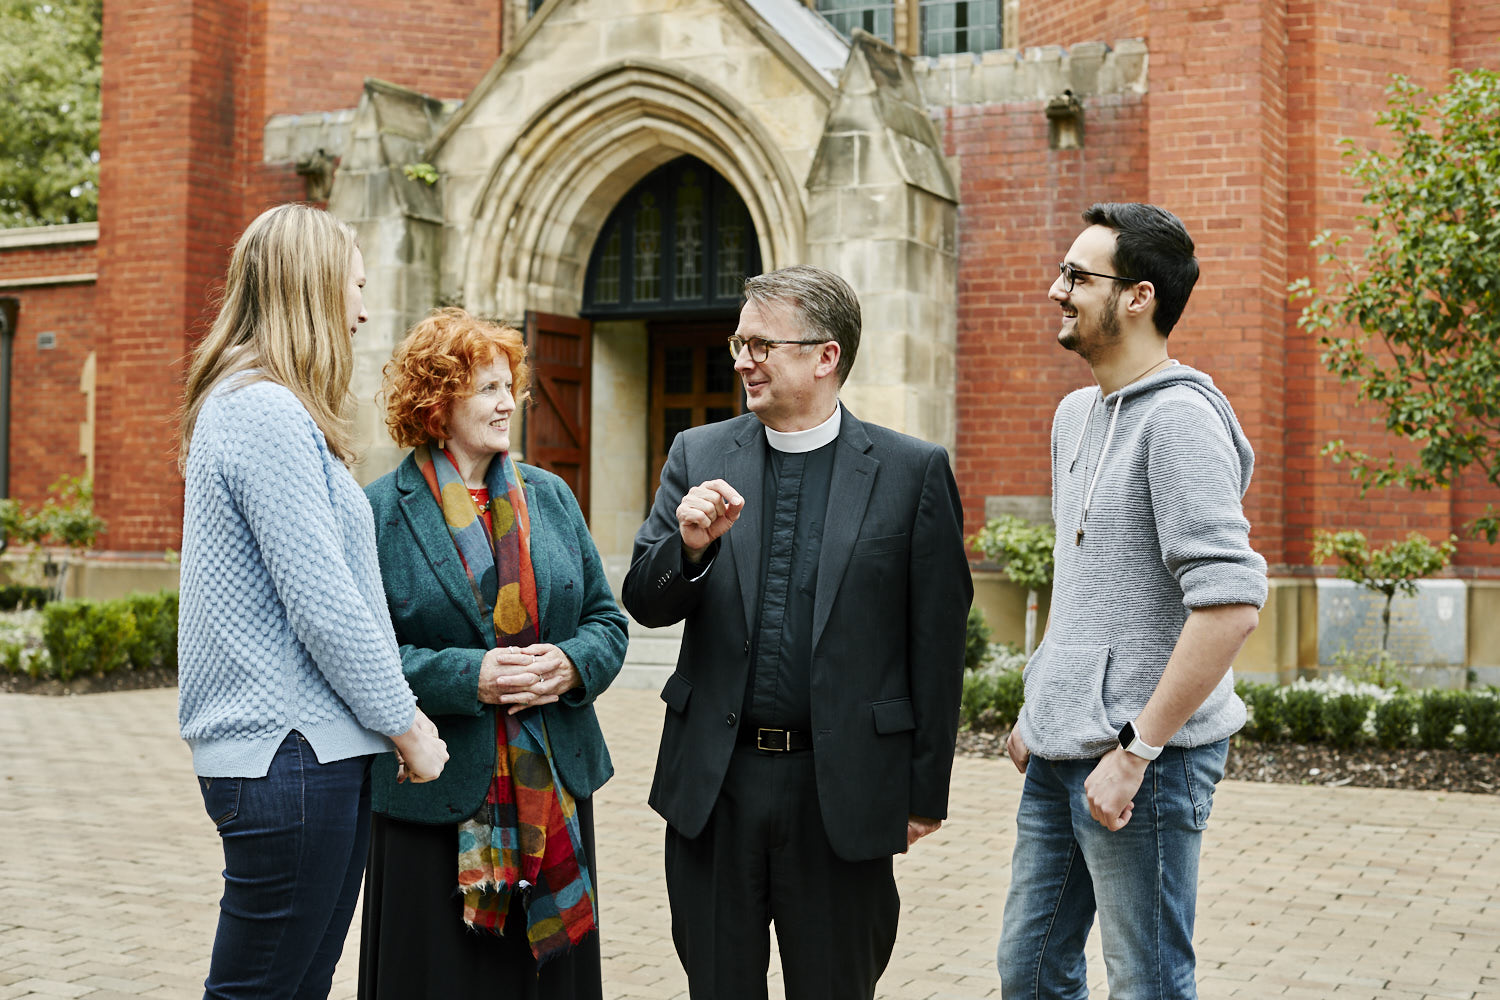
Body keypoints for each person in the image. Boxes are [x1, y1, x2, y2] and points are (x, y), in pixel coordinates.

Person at [623, 265, 972, 1000]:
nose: (742, 359)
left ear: (825, 356)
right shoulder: (699, 453)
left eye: (761, 344)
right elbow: (644, 604)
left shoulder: (912, 472)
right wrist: (687, 548)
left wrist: (922, 792)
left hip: (840, 791)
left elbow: (937, 645)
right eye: (739, 342)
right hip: (714, 786)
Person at [177, 202, 449, 1000]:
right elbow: (325, 605)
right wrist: (409, 724)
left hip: (310, 753)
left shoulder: (273, 410)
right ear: (312, 289)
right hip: (288, 753)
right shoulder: (261, 410)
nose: (365, 309)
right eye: (355, 287)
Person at [995, 203, 1267, 999]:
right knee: (1031, 969)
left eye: (1077, 276)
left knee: (1146, 981)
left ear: (1139, 296)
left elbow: (1229, 605)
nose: (1057, 290)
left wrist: (1137, 752)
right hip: (1060, 752)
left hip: (1146, 763)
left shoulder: (1179, 421)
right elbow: (1084, 585)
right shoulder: (1075, 415)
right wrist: (1039, 706)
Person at [358, 307, 629, 999]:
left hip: (553, 792)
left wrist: (571, 665)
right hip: (435, 797)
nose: (509, 402)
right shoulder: (380, 511)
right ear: (435, 403)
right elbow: (362, 655)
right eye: (487, 389)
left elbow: (606, 620)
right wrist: (466, 677)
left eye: (511, 386)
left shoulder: (552, 496)